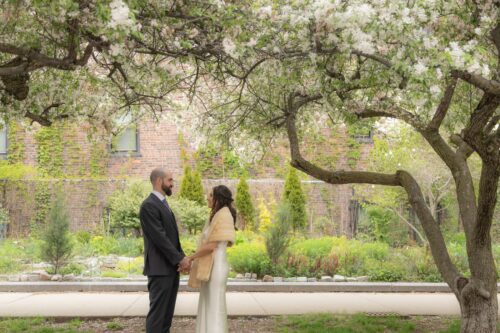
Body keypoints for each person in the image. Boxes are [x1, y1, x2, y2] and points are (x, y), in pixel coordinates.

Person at [140, 168, 191, 333]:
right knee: (157, 317)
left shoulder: (163, 204)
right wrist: (180, 259)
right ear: (158, 181)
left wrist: (182, 258)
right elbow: (160, 239)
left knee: (166, 317)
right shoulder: (149, 205)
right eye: (170, 180)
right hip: (159, 269)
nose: (172, 184)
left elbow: (172, 238)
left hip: (170, 268)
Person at [187, 185, 237, 333]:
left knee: (215, 306)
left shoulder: (224, 215)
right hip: (211, 266)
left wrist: (190, 258)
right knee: (207, 303)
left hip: (217, 267)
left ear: (218, 199)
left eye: (210, 195)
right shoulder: (216, 215)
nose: (207, 198)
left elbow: (211, 246)